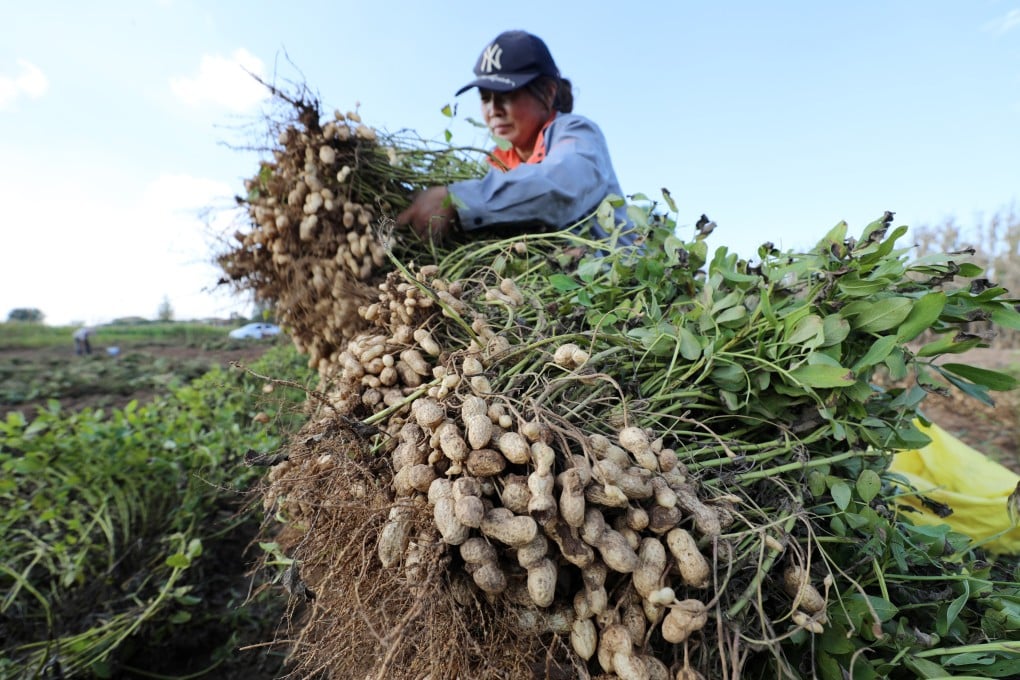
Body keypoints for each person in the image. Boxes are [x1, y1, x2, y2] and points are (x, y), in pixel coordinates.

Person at [397, 30, 635, 247]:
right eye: (485, 97)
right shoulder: (494, 164)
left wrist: (458, 199)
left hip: (612, 285)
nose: (494, 109)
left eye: (505, 95)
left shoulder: (576, 133)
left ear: (549, 92)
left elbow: (562, 186)